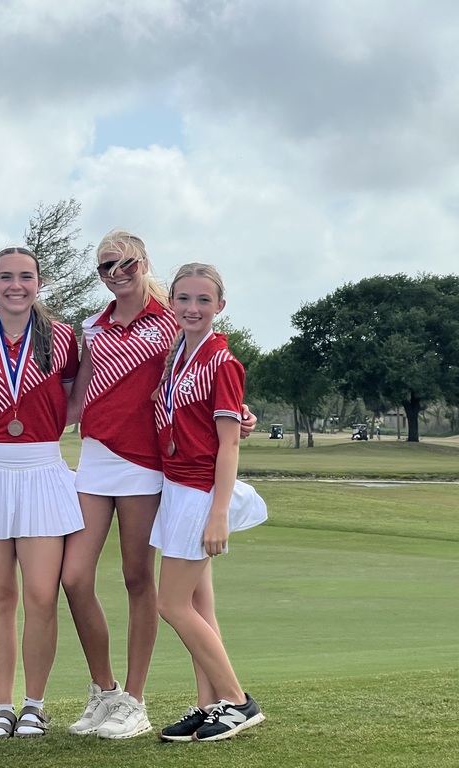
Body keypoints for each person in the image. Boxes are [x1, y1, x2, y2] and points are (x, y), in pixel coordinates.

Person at [63, 230, 257, 740]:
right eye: (106, 266)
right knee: (75, 576)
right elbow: (80, 398)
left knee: (144, 581)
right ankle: (109, 692)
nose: (117, 273)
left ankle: (138, 699)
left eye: (126, 263)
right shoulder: (93, 325)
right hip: (99, 458)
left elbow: (211, 383)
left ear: (144, 262)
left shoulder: (172, 319)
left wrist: (238, 416)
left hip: (152, 466)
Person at [0, 246, 84, 739]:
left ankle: (34, 704)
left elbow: (77, 398)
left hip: (42, 468)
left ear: (39, 283)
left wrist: (45, 427)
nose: (17, 285)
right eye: (6, 277)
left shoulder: (64, 338)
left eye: (26, 276)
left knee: (41, 595)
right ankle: (1, 706)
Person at [151, 263, 267, 742]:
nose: (192, 308)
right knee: (199, 605)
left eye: (203, 300)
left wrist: (218, 515)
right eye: (184, 298)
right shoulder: (179, 353)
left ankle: (238, 701)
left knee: (170, 604)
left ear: (220, 306)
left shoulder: (222, 361)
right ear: (171, 302)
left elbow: (229, 444)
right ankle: (209, 704)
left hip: (200, 493)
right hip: (177, 487)